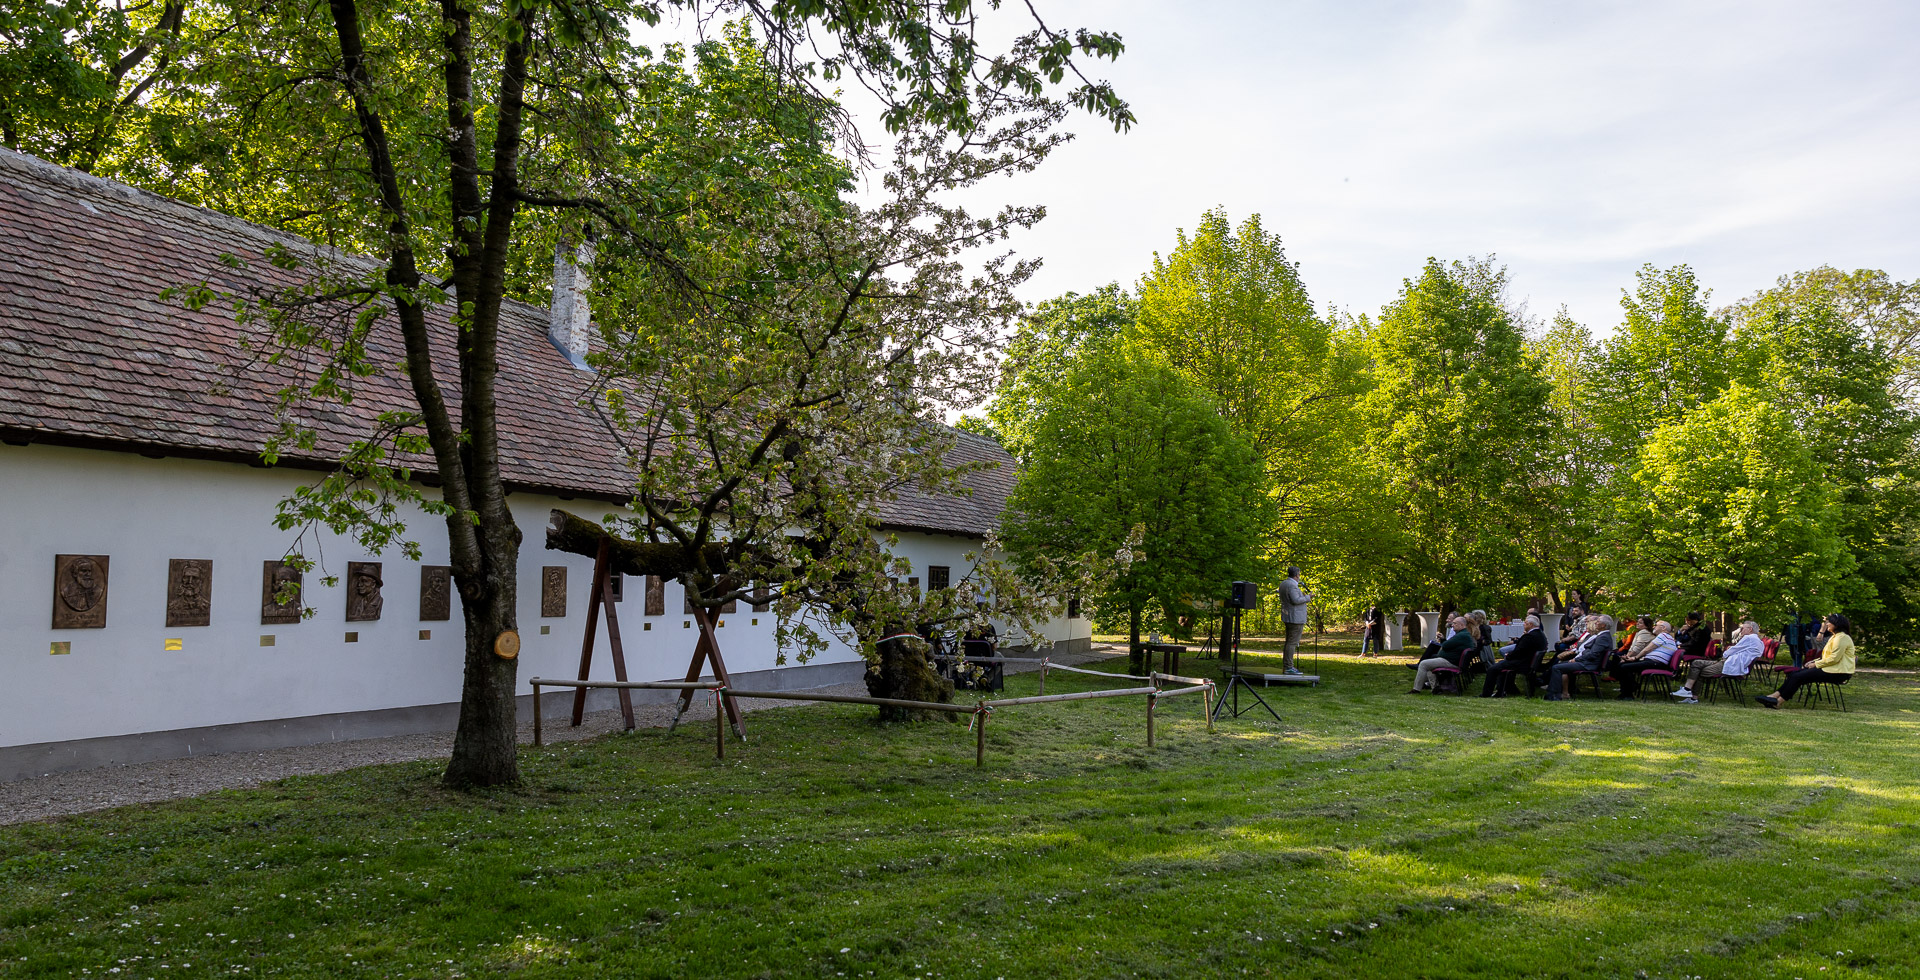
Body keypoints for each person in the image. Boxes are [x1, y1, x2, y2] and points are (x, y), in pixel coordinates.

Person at [1757, 614, 1855, 708]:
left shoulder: (1842, 638)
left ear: (1837, 625)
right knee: (1794, 674)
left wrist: (1815, 664)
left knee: (1798, 676)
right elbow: (1827, 656)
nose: (1827, 624)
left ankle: (1777, 702)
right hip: (1831, 669)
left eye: (1830, 622)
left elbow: (1834, 659)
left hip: (1838, 673)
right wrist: (1813, 662)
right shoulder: (1835, 637)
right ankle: (1773, 696)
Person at [1670, 620, 1764, 703]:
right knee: (1697, 663)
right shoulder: (1758, 641)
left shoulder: (1749, 638)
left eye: (1742, 628)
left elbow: (1730, 652)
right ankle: (1687, 690)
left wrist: (1727, 652)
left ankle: (1692, 697)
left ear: (1750, 629)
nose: (1740, 630)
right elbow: (1737, 650)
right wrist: (1731, 650)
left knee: (1699, 671)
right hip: (1728, 663)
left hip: (1730, 665)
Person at [1544, 614, 1615, 701]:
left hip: (1589, 664)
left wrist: (1576, 659)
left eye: (1598, 621)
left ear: (1603, 625)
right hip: (1587, 662)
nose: (1595, 623)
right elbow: (1589, 651)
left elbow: (1593, 654)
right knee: (1560, 664)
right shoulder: (1602, 636)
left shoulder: (1603, 637)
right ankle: (1562, 693)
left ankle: (1554, 695)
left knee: (1557, 668)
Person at [1609, 619, 1677, 699]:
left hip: (1656, 663)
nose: (1654, 627)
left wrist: (1635, 658)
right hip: (1654, 662)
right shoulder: (1667, 637)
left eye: (1656, 625)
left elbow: (1647, 649)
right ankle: (1630, 688)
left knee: (1624, 667)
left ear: (1663, 628)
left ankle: (1628, 694)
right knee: (1623, 665)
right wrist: (1633, 658)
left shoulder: (1663, 636)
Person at [1481, 615, 1546, 697]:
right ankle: (1505, 690)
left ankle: (1486, 693)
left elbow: (1519, 651)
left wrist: (1508, 655)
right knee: (1500, 665)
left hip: (1523, 663)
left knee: (1492, 669)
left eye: (1525, 623)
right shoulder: (1540, 635)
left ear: (1530, 624)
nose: (1523, 624)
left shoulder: (1529, 636)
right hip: (1529, 662)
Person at [1412, 616, 1475, 693]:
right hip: (1452, 660)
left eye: (1455, 623)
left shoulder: (1462, 635)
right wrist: (1443, 639)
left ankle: (1416, 689)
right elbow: (1448, 645)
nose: (1452, 625)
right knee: (1429, 664)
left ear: (1461, 625)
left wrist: (1443, 642)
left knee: (1423, 664)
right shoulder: (1463, 634)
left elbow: (1445, 645)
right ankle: (1436, 688)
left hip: (1451, 662)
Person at [1278, 566, 1311, 674]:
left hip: (1288, 616)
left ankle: (1287, 666)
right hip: (1295, 618)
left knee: (1289, 642)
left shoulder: (1284, 583)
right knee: (1292, 643)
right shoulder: (1292, 585)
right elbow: (1295, 600)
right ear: (1297, 575)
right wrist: (1308, 597)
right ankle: (1289, 667)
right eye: (1299, 574)